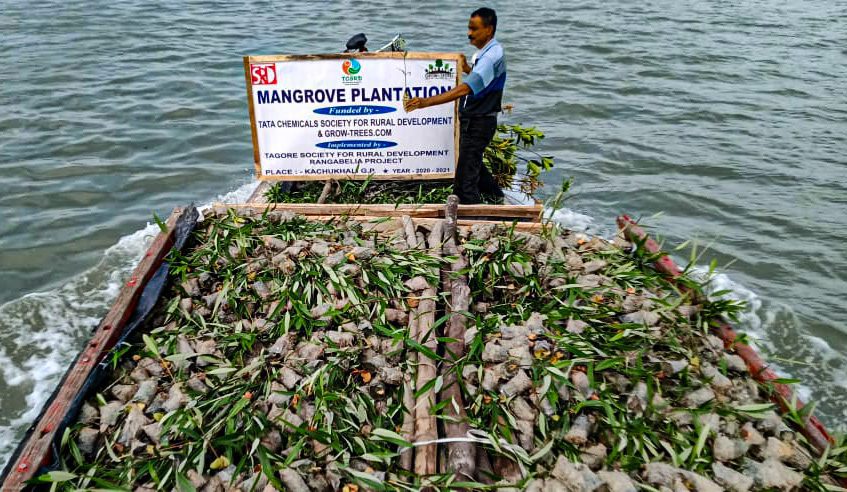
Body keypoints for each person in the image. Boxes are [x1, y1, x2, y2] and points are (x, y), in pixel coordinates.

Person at [405, 7, 506, 204]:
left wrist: (425, 102)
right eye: (469, 28)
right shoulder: (487, 53)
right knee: (473, 165)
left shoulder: (490, 57)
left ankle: (478, 221)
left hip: (478, 123)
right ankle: (497, 199)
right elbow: (481, 81)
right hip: (475, 121)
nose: (469, 33)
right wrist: (467, 67)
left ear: (489, 29)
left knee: (463, 185)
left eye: (475, 29)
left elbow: (465, 89)